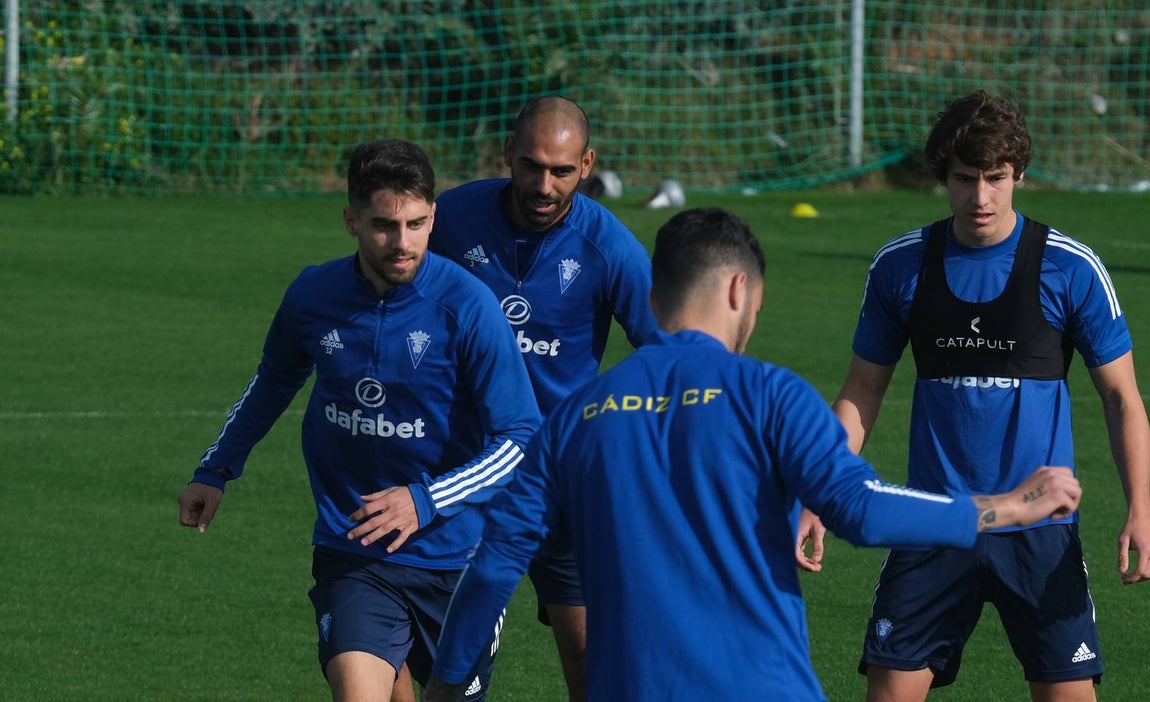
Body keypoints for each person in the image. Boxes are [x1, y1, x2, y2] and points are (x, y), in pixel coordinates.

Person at [419, 207, 1084, 702]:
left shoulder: (574, 418)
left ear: (653, 299)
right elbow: (859, 508)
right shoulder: (769, 395)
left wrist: (449, 685)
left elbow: (495, 562)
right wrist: (999, 508)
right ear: (741, 292)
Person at [176, 139, 541, 702]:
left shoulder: (468, 307)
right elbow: (273, 380)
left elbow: (520, 439)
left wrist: (425, 500)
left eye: (417, 225)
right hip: (356, 548)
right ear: (350, 220)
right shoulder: (313, 294)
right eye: (383, 226)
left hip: (459, 558)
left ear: (433, 217)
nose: (403, 243)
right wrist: (215, 469)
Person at [831, 90, 1150, 701]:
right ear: (941, 177)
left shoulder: (1071, 268)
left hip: (1042, 528)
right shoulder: (901, 267)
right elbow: (861, 392)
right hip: (932, 520)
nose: (981, 197)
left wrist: (1140, 506)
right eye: (964, 179)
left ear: (1019, 175)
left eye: (996, 178)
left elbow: (1122, 400)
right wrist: (818, 489)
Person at [424, 94, 658, 701]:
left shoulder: (613, 249)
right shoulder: (451, 218)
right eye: (531, 165)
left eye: (560, 170)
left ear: (587, 165)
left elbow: (670, 356)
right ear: (507, 154)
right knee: (445, 659)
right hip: (466, 471)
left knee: (590, 655)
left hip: (564, 483)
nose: (543, 185)